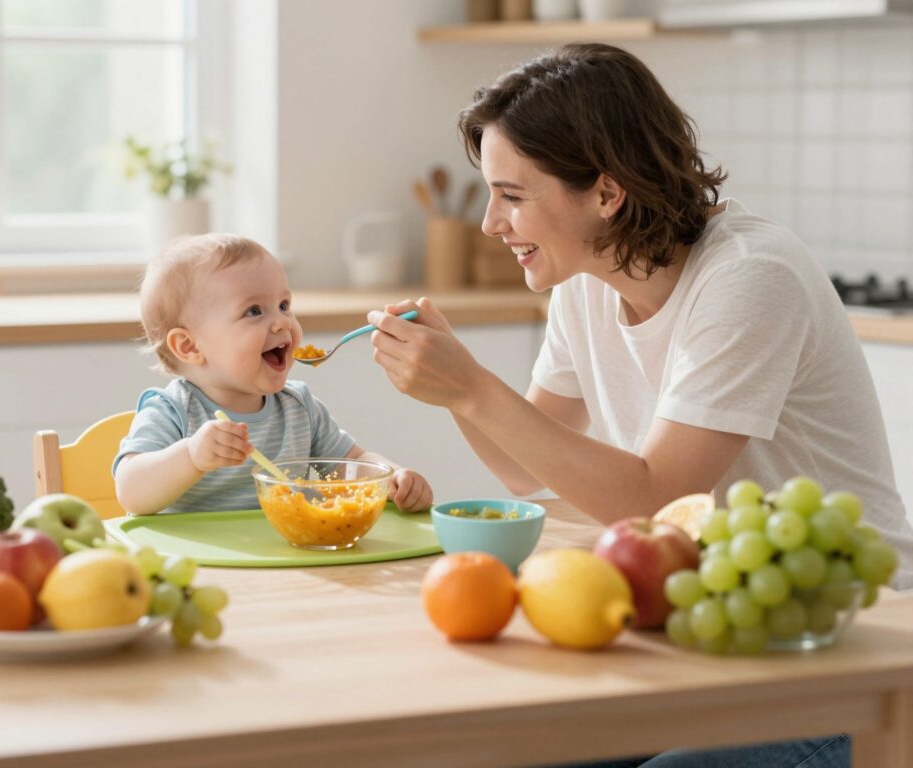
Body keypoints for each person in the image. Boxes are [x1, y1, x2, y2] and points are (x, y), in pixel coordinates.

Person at [366, 42, 913, 768]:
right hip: (703, 628)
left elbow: (656, 497)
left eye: (514, 195)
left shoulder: (749, 279)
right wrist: (446, 382)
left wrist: (470, 386)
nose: (492, 223)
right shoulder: (584, 281)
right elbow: (518, 465)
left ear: (606, 193)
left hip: (845, 645)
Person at [114, 233, 433, 516]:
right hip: (201, 568)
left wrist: (391, 477)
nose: (282, 322)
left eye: (284, 304)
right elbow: (131, 492)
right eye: (254, 311)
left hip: (286, 563)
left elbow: (353, 461)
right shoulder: (172, 410)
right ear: (189, 346)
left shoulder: (299, 408)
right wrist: (191, 455)